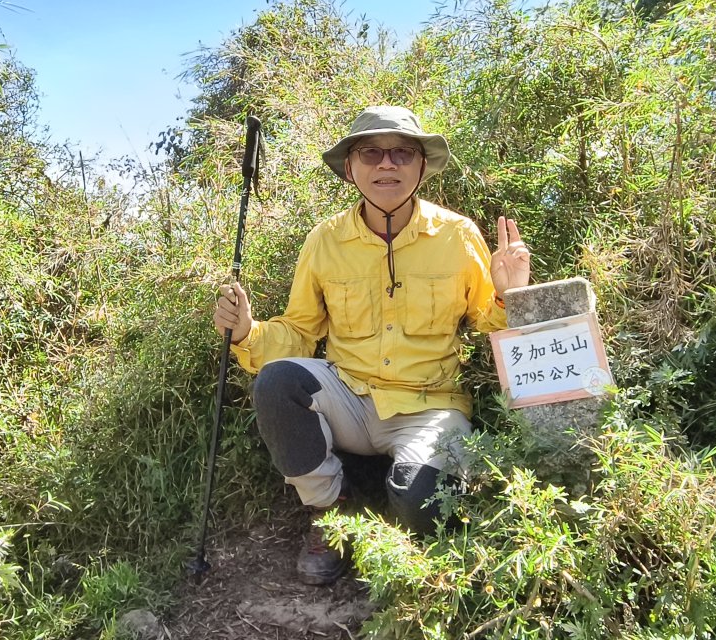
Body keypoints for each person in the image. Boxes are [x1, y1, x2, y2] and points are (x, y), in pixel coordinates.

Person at [213, 105, 531, 586]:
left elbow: (489, 322)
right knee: (278, 383)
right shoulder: (325, 240)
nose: (387, 164)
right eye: (371, 153)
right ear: (350, 168)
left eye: (403, 153)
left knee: (419, 507)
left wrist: (510, 294)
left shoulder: (458, 235)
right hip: (349, 398)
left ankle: (399, 498)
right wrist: (246, 334)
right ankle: (330, 511)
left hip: (432, 406)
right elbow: (300, 332)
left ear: (422, 166)